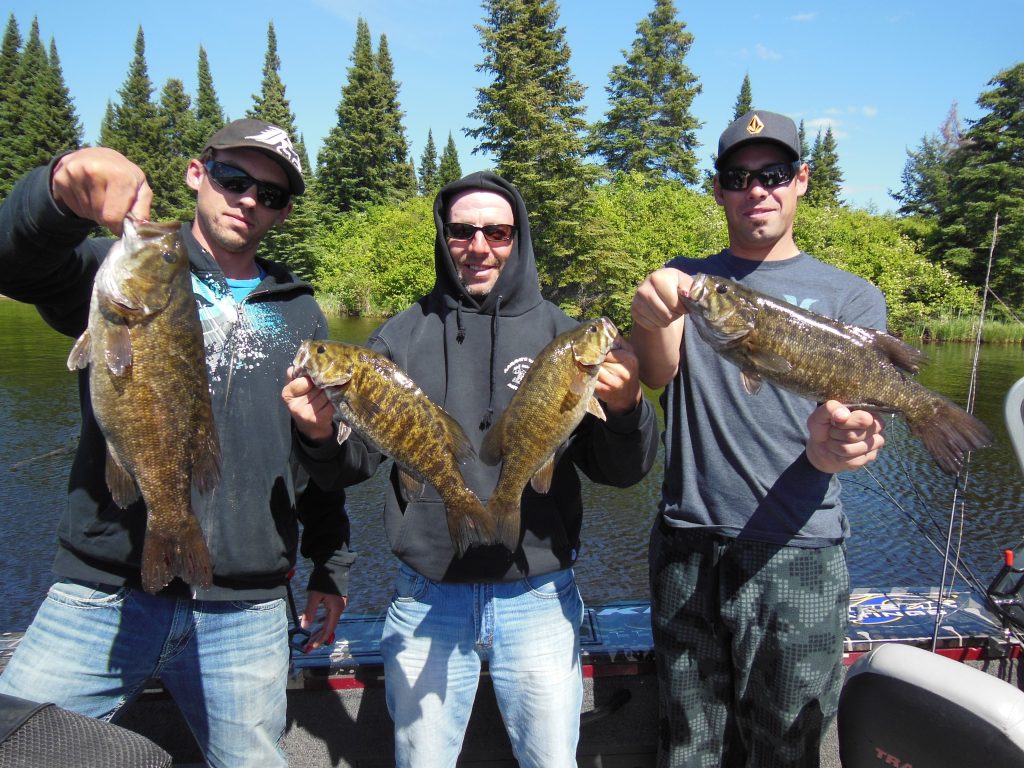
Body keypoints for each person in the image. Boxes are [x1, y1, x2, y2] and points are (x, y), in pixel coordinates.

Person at [0, 118, 375, 767]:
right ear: (197, 174)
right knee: (13, 739)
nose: (250, 199)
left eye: (273, 194)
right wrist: (58, 191)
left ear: (283, 214)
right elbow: (16, 263)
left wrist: (329, 568)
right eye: (236, 178)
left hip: (248, 609)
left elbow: (322, 471)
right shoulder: (125, 270)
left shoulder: (301, 315)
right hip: (105, 592)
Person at [366, 171, 659, 767]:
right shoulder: (398, 337)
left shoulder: (561, 334)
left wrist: (627, 410)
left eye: (497, 231)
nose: (480, 247)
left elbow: (622, 473)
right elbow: (347, 464)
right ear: (443, 237)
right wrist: (320, 431)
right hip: (427, 597)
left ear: (519, 237)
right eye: (462, 231)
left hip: (539, 596)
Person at [630, 110, 888, 767]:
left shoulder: (851, 298)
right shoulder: (690, 284)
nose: (757, 190)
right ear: (717, 190)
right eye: (738, 177)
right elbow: (658, 373)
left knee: (787, 748)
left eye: (773, 174)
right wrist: (649, 311)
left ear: (801, 180)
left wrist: (840, 446)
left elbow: (856, 423)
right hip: (688, 544)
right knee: (690, 744)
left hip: (796, 548)